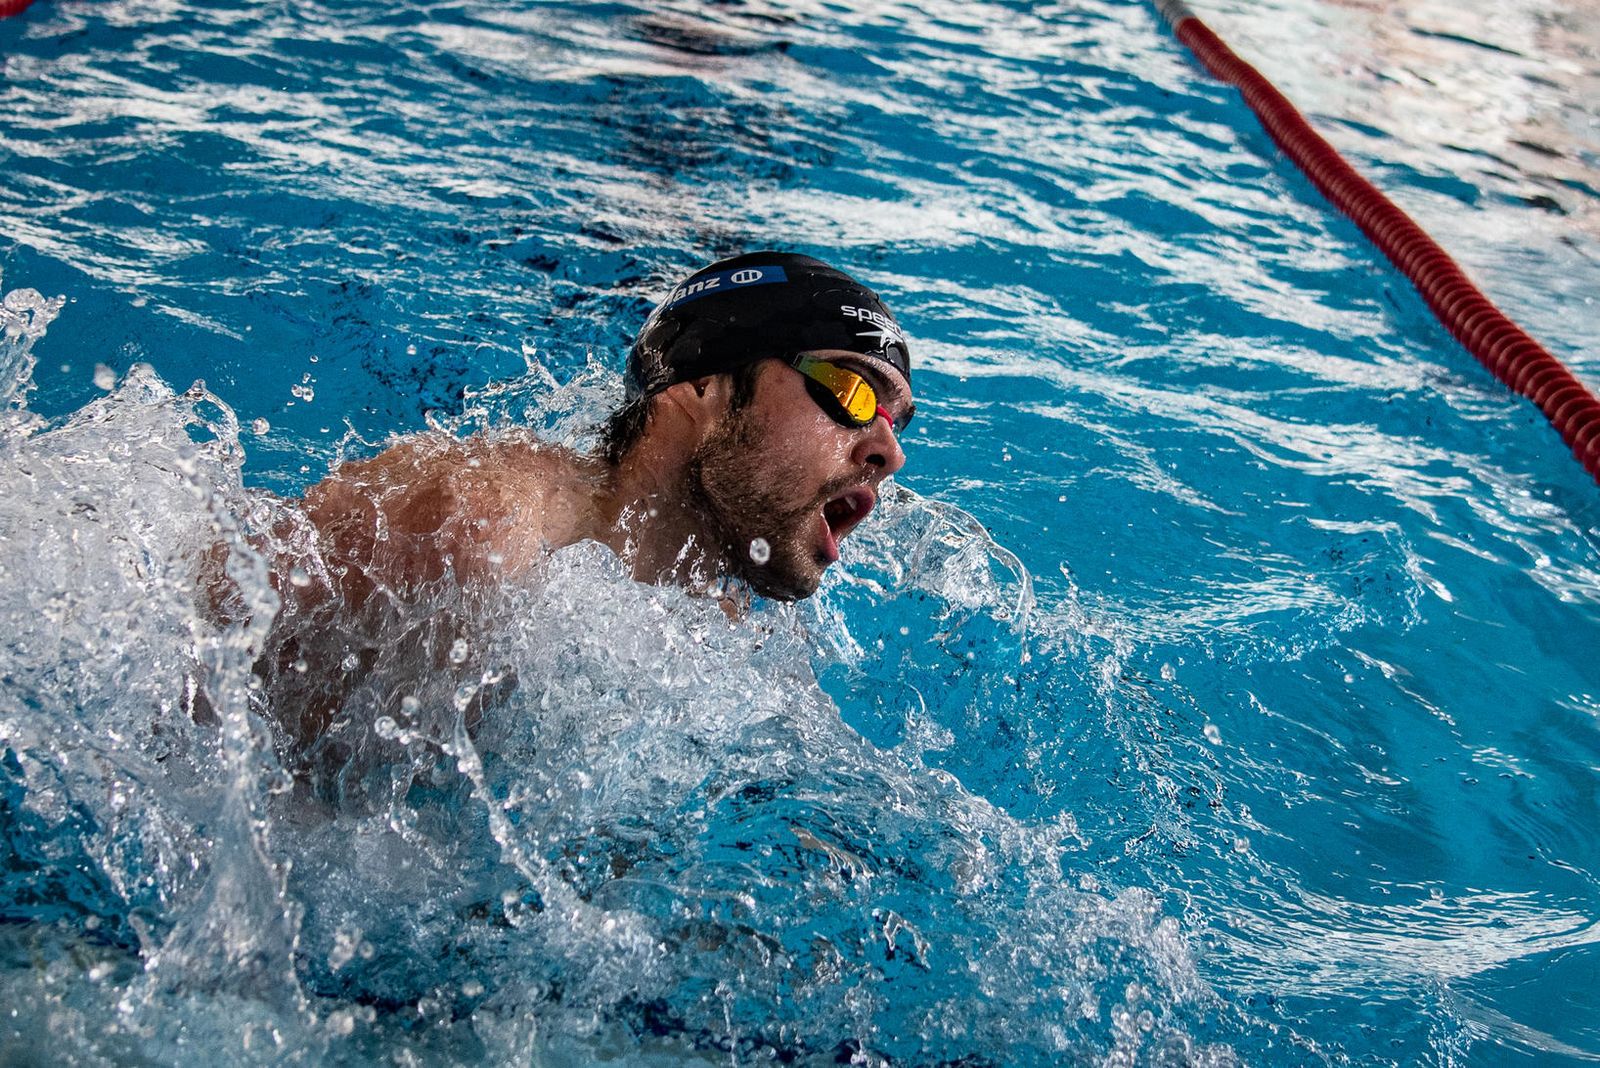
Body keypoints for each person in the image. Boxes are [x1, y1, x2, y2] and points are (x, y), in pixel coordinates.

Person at [297, 251, 916, 612]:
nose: (889, 450)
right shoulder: (488, 525)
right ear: (704, 382)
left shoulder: (728, 628)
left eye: (895, 423)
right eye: (850, 392)